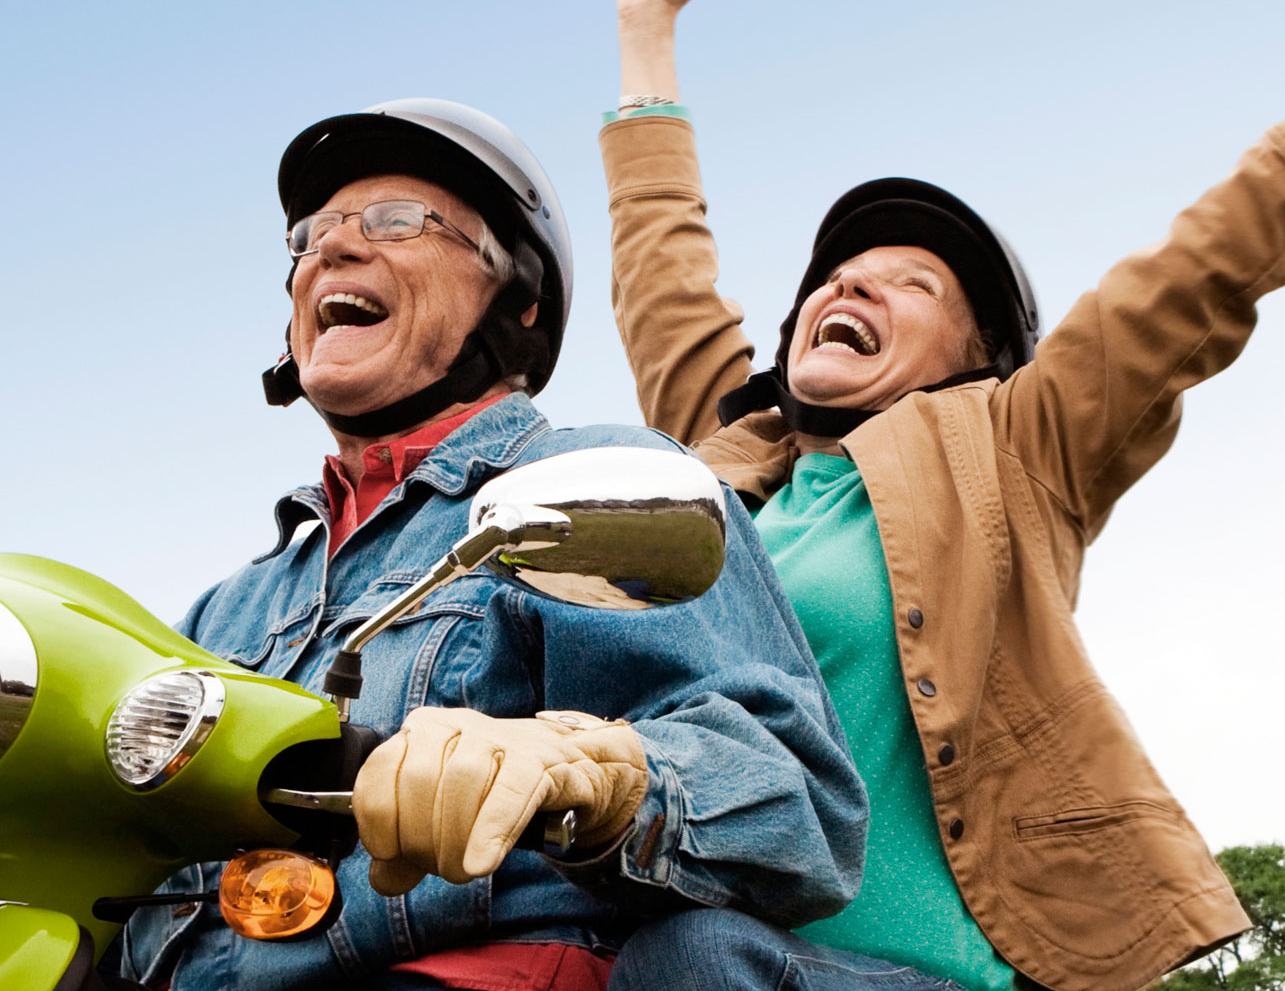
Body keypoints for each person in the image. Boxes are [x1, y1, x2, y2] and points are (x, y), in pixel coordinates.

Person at [591, 0, 1285, 989]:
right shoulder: (718, 466)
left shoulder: (1017, 443)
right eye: (839, 273)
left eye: (912, 283)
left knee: (692, 952)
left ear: (978, 360)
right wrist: (647, 29)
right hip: (728, 952)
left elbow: (1214, 255)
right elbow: (661, 268)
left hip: (934, 973)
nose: (851, 283)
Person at [111, 99, 867, 991]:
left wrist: (594, 771)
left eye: (395, 221)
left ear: (518, 302)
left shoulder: (595, 479)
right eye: (312, 234)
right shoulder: (226, 608)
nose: (332, 249)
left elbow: (798, 813)